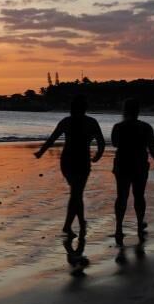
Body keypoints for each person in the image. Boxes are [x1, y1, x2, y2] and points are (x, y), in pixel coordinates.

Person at [34, 95, 105, 236]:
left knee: (76, 193)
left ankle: (78, 223)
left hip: (67, 161)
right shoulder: (91, 122)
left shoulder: (67, 121)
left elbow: (52, 139)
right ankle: (70, 225)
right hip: (81, 160)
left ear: (72, 109)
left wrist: (41, 152)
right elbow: (101, 142)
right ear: (85, 109)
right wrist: (98, 155)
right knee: (77, 193)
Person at [110, 98, 154, 241]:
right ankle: (140, 224)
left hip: (122, 163)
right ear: (138, 111)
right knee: (139, 195)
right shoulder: (146, 127)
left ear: (124, 111)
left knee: (121, 196)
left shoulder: (118, 127)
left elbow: (115, 143)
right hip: (140, 163)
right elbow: (152, 148)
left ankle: (118, 228)